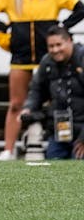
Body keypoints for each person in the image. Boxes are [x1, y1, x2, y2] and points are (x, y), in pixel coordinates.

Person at [0, 0, 84, 159]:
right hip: (21, 56)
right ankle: (8, 150)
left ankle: (47, 145)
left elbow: (80, 8)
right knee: (16, 104)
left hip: (49, 56)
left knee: (54, 100)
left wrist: (62, 27)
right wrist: (5, 28)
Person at [20, 27, 84, 160]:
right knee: (53, 166)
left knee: (77, 168)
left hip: (82, 128)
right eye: (51, 46)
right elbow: (36, 89)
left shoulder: (82, 59)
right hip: (60, 128)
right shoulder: (47, 61)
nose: (55, 50)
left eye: (59, 45)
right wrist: (29, 108)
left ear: (70, 41)